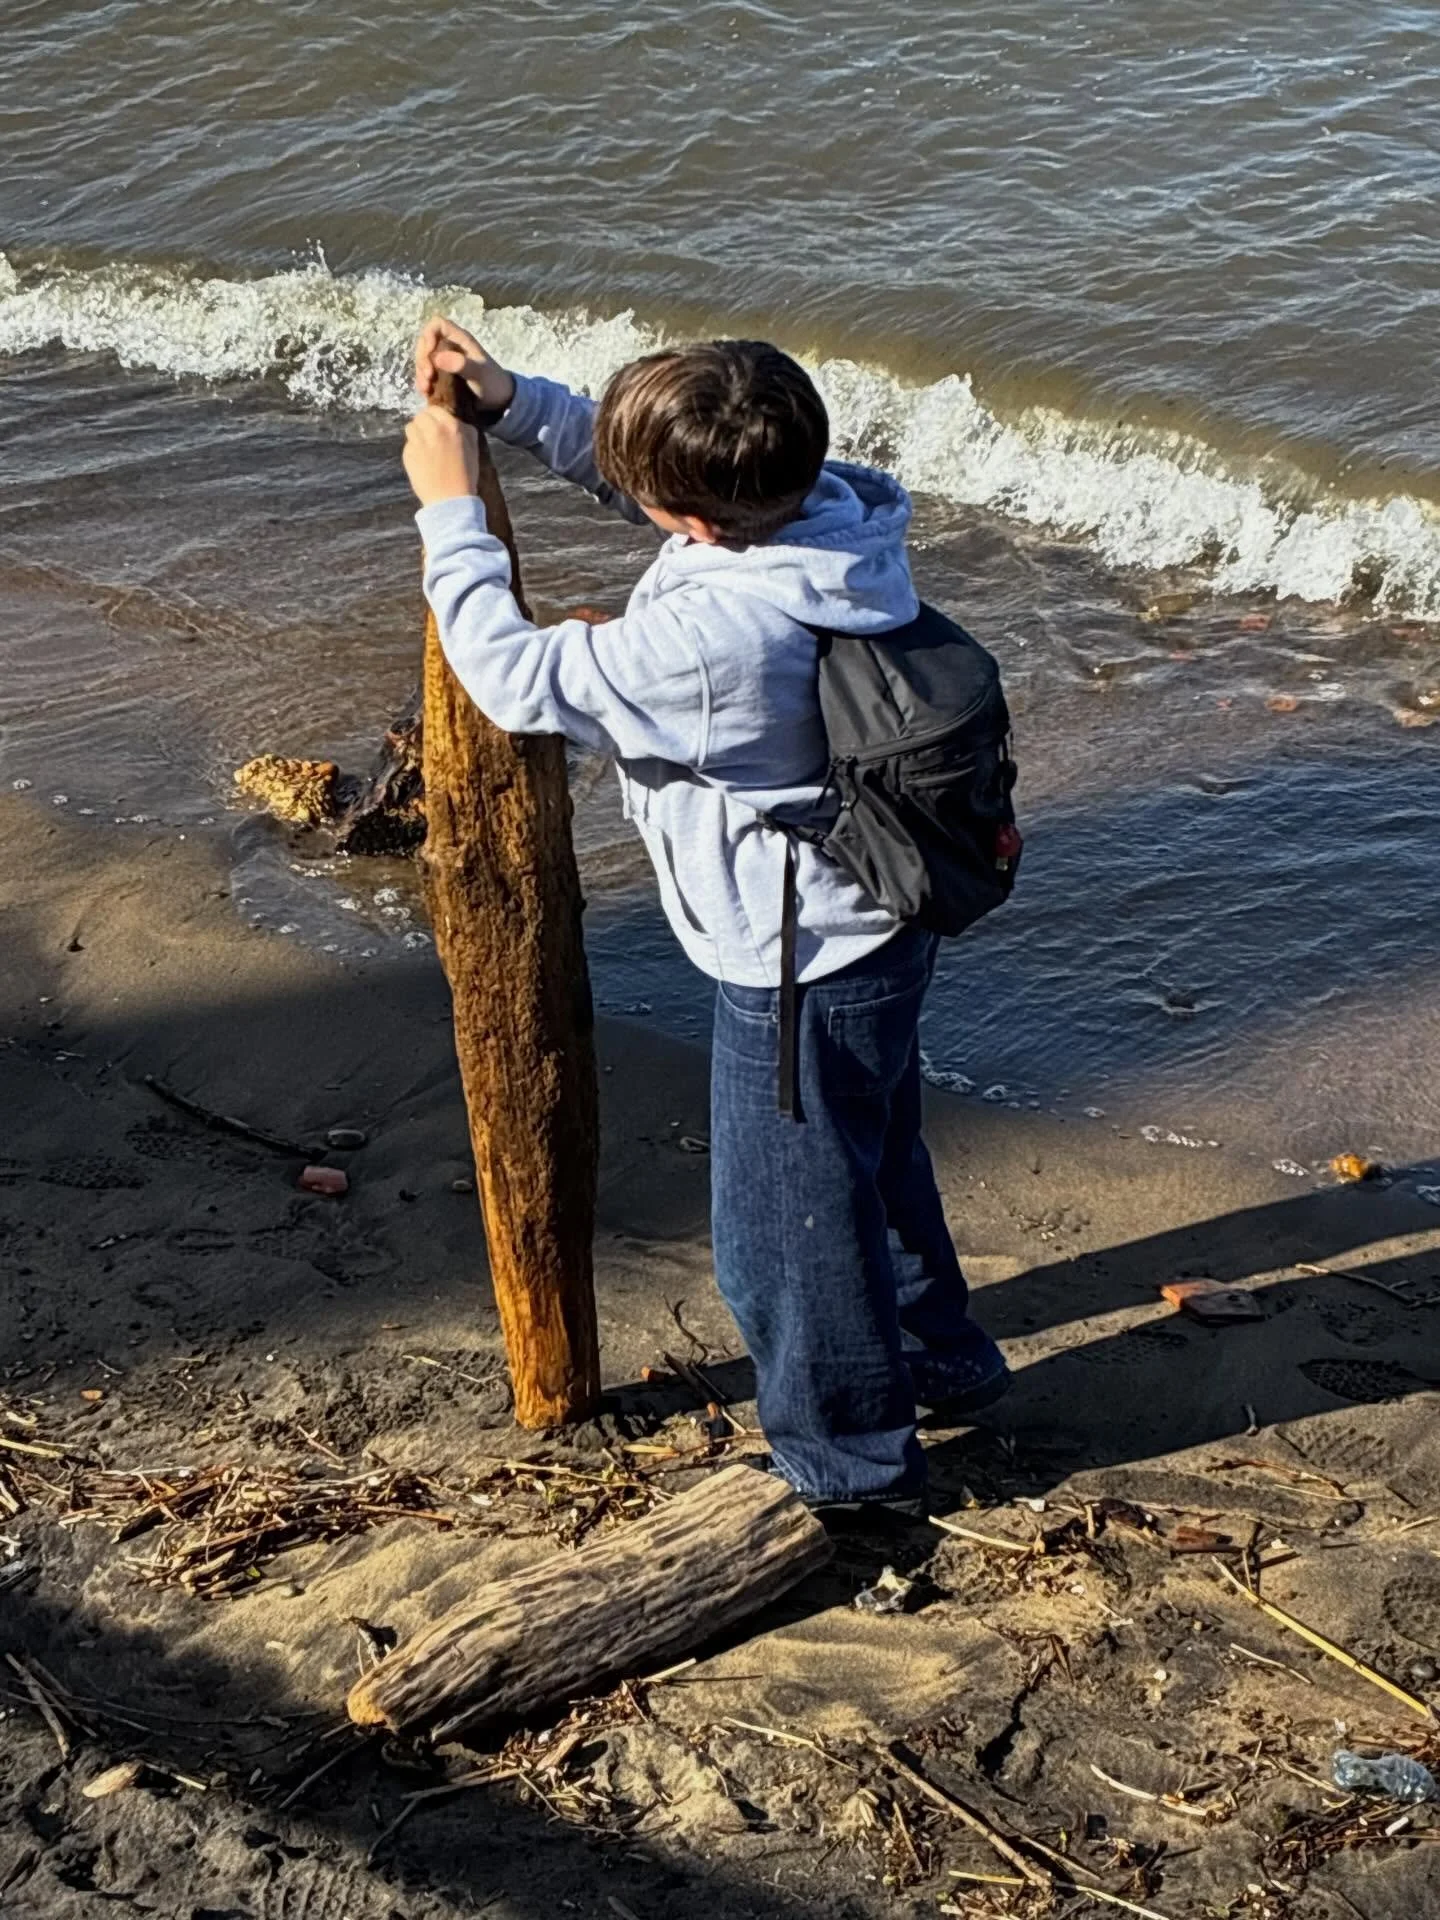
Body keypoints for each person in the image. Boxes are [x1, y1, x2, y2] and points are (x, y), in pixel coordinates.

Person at [402, 319, 1009, 1517]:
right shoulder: (832, 518)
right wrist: (514, 402)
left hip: (792, 958)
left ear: (693, 522)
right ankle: (940, 1356)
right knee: (871, 1158)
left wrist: (451, 510)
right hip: (876, 921)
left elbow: (516, 678)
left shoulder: (714, 640)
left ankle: (852, 1469)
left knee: (781, 1229)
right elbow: (661, 483)